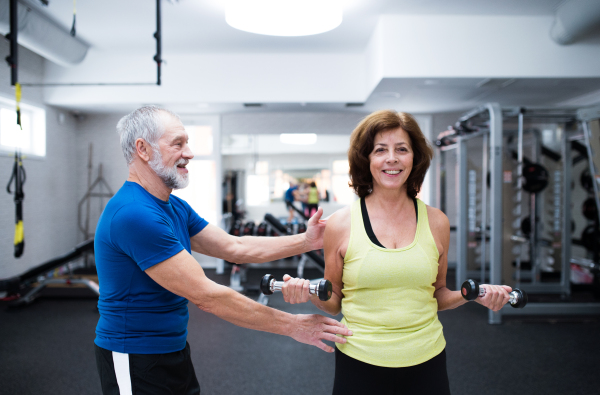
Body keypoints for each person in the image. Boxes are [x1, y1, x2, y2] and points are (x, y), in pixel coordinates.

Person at [93, 106, 352, 395]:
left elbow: (234, 246)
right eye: (178, 144)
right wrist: (293, 325)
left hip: (172, 347)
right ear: (143, 149)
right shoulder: (134, 213)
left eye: (187, 143)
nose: (189, 152)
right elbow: (208, 295)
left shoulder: (172, 206)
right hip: (134, 355)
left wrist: (307, 241)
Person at [280, 110, 512, 395]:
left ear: (414, 158)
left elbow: (437, 294)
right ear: (367, 159)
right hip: (359, 360)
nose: (392, 158)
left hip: (427, 360)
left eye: (401, 149)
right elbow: (334, 300)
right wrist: (310, 293)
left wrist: (471, 295)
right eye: (380, 150)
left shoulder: (437, 221)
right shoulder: (341, 224)